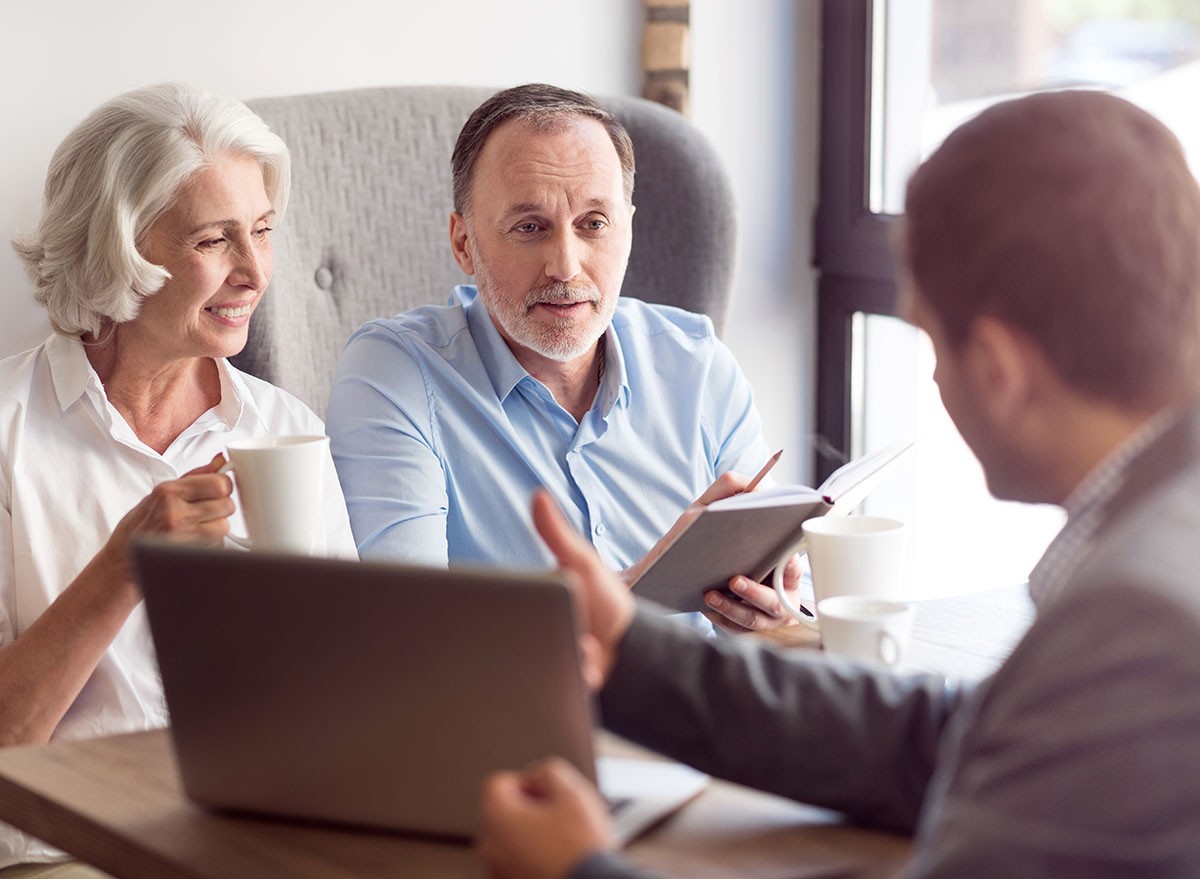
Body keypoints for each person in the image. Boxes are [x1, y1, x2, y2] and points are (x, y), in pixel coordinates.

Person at [475, 90, 1200, 878]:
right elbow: (954, 739)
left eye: (927, 338)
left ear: (999, 368)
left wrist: (579, 871)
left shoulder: (1141, 617)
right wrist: (630, 648)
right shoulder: (1160, 539)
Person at [0, 83, 356, 875]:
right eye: (212, 241)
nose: (257, 272)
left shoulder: (285, 429)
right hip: (67, 851)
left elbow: (348, 702)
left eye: (262, 231)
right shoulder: (9, 432)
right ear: (117, 247)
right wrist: (127, 564)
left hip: (259, 838)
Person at [325, 83, 799, 634]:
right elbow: (408, 630)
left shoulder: (697, 363)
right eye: (530, 228)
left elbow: (787, 609)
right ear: (463, 243)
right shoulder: (394, 374)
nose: (566, 267)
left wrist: (768, 611)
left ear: (627, 230)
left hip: (704, 712)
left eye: (594, 224)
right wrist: (649, 583)